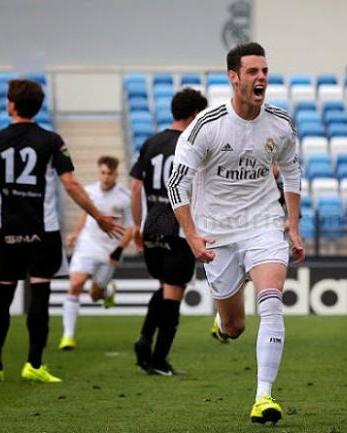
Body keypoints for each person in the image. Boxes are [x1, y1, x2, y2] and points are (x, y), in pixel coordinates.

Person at [167, 42, 304, 424]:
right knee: (235, 325)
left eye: (264, 71)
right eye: (252, 72)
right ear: (234, 77)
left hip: (263, 225)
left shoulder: (280, 123)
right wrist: (192, 235)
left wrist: (293, 225)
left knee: (272, 301)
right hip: (217, 234)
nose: (261, 78)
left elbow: (292, 171)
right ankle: (224, 322)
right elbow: (177, 182)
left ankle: (264, 396)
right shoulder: (206, 126)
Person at [0, 78, 124, 384]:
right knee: (40, 296)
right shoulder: (51, 140)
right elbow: (71, 184)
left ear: (11, 105)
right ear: (38, 107)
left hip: (7, 231)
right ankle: (34, 363)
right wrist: (98, 216)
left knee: (4, 297)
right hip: (44, 231)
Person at [130, 88, 208, 376]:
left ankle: (144, 339)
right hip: (178, 228)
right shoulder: (192, 145)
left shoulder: (151, 142)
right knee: (173, 295)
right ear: (192, 116)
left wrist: (138, 226)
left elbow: (135, 186)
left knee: (165, 287)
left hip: (151, 227)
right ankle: (159, 360)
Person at [58, 155, 134, 350]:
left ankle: (107, 291)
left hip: (109, 250)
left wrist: (118, 250)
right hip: (87, 245)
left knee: (94, 294)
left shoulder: (125, 197)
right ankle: (68, 336)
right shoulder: (89, 191)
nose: (106, 177)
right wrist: (75, 234)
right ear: (98, 172)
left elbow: (132, 228)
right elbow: (86, 214)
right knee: (75, 284)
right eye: (102, 173)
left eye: (109, 173)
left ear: (116, 173)